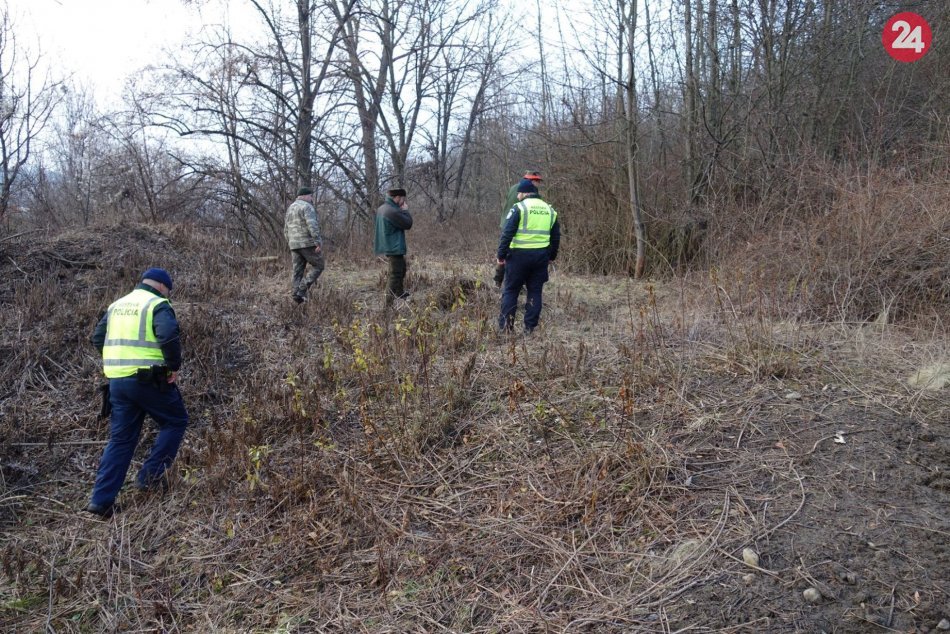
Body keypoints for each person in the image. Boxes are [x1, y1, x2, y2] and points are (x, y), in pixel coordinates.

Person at [86, 268, 190, 517]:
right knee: (175, 420)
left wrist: (119, 360)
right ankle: (150, 477)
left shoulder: (117, 305)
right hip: (148, 380)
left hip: (117, 383)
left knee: (121, 440)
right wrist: (173, 367)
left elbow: (97, 338)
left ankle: (101, 501)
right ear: (163, 287)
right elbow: (167, 335)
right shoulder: (158, 304)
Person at [497, 178, 560, 334]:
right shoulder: (550, 210)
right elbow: (556, 237)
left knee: (511, 291)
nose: (517, 196)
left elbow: (507, 233)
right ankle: (530, 328)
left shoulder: (519, 208)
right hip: (540, 257)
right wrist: (552, 256)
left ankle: (506, 328)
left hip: (518, 256)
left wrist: (501, 255)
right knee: (535, 292)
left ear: (525, 193)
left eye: (519, 193)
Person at [495, 171, 543, 287]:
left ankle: (498, 281)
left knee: (504, 252)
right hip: (513, 225)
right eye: (537, 181)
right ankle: (511, 283)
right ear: (530, 180)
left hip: (506, 223)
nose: (538, 184)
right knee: (510, 255)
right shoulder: (525, 192)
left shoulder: (514, 187)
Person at [284, 186, 325, 304]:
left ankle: (296, 295)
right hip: (307, 243)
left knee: (297, 271)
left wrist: (290, 242)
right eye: (311, 196)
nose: (312, 198)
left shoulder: (290, 208)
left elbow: (285, 228)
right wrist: (317, 241)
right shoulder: (307, 207)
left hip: (294, 244)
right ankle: (302, 289)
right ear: (306, 196)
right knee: (319, 266)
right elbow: (312, 225)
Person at [374, 187, 413, 305]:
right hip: (393, 246)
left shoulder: (383, 208)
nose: (403, 202)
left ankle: (399, 292)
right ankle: (388, 304)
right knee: (394, 274)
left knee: (401, 269)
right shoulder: (392, 211)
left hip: (389, 244)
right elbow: (408, 224)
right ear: (397, 198)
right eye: (402, 199)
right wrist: (405, 210)